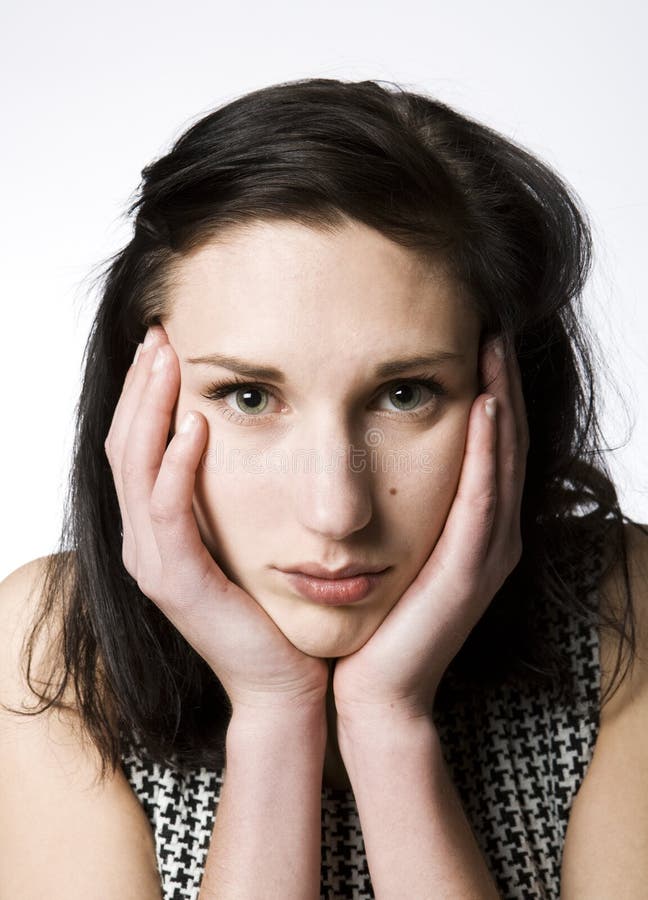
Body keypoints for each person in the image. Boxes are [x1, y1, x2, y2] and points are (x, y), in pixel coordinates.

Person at [1, 77, 646, 900]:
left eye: (406, 393)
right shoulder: (53, 650)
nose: (337, 513)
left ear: (508, 392)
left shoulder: (617, 610)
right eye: (247, 397)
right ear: (140, 407)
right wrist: (273, 716)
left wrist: (388, 727)